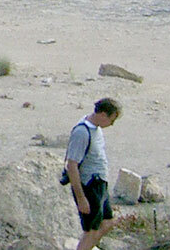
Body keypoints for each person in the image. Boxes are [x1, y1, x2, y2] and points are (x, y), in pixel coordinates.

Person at [66, 97, 122, 250]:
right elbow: (72, 165)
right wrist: (81, 197)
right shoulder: (82, 132)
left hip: (99, 185)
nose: (111, 124)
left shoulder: (95, 128)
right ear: (103, 115)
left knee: (107, 222)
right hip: (89, 186)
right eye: (111, 119)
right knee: (91, 231)